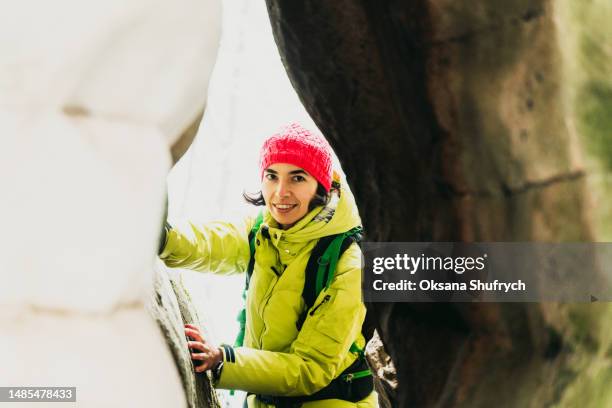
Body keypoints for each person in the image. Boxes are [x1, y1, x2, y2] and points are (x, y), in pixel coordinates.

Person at [159, 123, 377, 407]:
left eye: (297, 178)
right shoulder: (264, 231)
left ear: (321, 186)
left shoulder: (347, 263)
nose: (280, 192)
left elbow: (312, 368)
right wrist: (159, 238)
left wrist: (224, 359)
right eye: (271, 176)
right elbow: (209, 243)